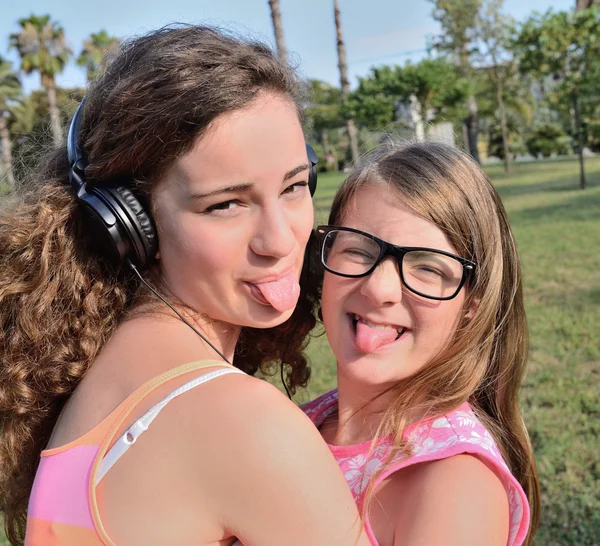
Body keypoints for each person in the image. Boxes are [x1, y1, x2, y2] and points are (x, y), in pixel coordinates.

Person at [0, 25, 370, 546]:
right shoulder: (244, 426)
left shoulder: (100, 381)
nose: (281, 239)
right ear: (130, 225)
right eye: (226, 204)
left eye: (293, 186)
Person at [303, 141, 541, 546]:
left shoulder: (453, 486)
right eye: (358, 250)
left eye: (427, 267)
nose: (379, 289)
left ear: (472, 305)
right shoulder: (305, 422)